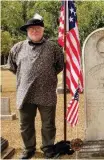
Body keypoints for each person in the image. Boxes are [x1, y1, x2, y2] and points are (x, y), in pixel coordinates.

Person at [7, 14, 64, 159]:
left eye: (38, 28)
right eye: (31, 28)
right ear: (27, 31)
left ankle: (48, 148)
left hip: (47, 93)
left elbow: (59, 66)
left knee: (48, 124)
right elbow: (13, 67)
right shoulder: (17, 48)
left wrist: (45, 77)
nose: (35, 31)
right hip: (25, 93)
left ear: (43, 30)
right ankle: (28, 149)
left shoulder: (53, 48)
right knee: (25, 125)